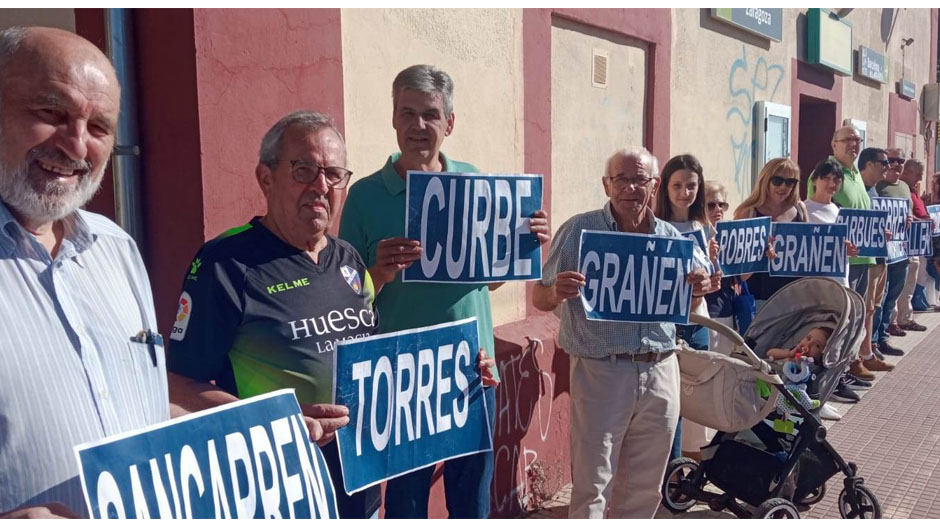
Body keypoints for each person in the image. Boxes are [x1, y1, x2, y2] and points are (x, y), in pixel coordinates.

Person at [338, 64, 549, 519]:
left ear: (449, 123)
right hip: (400, 376)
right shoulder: (364, 196)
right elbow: (342, 295)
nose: (418, 126)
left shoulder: (476, 181)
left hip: (474, 370)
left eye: (430, 114)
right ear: (393, 119)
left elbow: (489, 279)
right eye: (408, 113)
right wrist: (378, 270)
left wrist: (524, 242)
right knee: (407, 500)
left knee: (471, 495)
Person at [166, 111, 400, 518]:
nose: (321, 186)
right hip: (277, 489)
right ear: (266, 178)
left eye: (333, 174)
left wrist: (458, 375)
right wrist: (276, 420)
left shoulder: (347, 258)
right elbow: (179, 383)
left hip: (359, 480)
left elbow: (371, 354)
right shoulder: (225, 263)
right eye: (304, 170)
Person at [0, 27, 168, 518]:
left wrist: (270, 425)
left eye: (98, 128)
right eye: (51, 113)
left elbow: (137, 411)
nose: (76, 147)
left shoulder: (117, 250)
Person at [533, 146, 715, 518]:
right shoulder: (579, 230)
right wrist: (555, 292)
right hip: (602, 371)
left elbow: (693, 307)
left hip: (661, 368)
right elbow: (540, 297)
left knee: (646, 486)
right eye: (622, 179)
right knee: (593, 482)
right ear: (606, 185)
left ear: (655, 185)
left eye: (640, 180)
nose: (631, 187)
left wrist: (700, 289)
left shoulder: (673, 240)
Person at [655, 154, 720, 461]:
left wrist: (710, 280)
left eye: (692, 185)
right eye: (677, 185)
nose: (685, 193)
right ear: (665, 187)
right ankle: (670, 468)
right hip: (667, 326)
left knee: (696, 400)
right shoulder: (653, 227)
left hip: (698, 323)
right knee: (670, 403)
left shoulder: (704, 227)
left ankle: (689, 469)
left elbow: (712, 277)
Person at [847, 147, 895, 379]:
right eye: (883, 162)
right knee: (862, 308)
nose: (887, 167)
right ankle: (856, 358)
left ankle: (867, 352)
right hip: (863, 259)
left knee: (872, 307)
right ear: (868, 164)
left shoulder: (873, 191)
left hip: (878, 256)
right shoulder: (860, 190)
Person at [733, 157, 807, 309]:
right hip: (757, 297)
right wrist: (759, 252)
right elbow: (735, 261)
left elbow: (809, 249)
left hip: (793, 298)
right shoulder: (748, 212)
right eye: (777, 181)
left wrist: (838, 250)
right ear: (765, 180)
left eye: (790, 182)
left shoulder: (800, 209)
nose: (784, 187)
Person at [871, 147, 913, 358]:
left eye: (900, 160)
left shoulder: (905, 187)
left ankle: (883, 336)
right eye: (891, 160)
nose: (896, 164)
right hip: (882, 251)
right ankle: (874, 341)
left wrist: (909, 218)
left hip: (901, 251)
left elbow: (909, 211)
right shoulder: (878, 185)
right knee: (880, 297)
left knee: (892, 296)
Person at [896, 158, 929, 332]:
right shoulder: (902, 190)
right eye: (918, 174)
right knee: (903, 284)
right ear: (907, 172)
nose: (919, 178)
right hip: (905, 245)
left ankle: (905, 317)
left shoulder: (912, 191)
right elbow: (905, 215)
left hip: (916, 244)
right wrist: (921, 220)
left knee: (911, 283)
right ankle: (899, 319)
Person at [703, 181, 735, 354]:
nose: (718, 209)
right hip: (703, 312)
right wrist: (708, 258)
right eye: (711, 205)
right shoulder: (696, 235)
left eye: (722, 204)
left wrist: (761, 255)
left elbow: (742, 276)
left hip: (726, 309)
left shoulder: (731, 235)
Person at [766, 327, 832, 362]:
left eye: (817, 345)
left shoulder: (815, 366)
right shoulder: (793, 352)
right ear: (800, 341)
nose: (808, 344)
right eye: (808, 338)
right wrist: (789, 354)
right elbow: (769, 354)